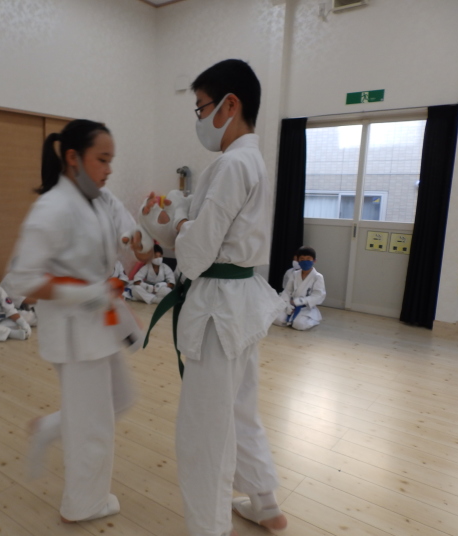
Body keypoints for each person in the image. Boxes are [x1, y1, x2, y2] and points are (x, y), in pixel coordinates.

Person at [140, 59, 288, 535]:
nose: (199, 118)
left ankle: (209, 528)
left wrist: (179, 222)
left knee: (204, 428)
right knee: (240, 408)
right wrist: (176, 212)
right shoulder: (249, 161)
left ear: (230, 105)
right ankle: (265, 503)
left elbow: (196, 253)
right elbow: (211, 230)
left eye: (201, 107)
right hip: (239, 303)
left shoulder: (231, 164)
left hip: (219, 311)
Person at [4, 119, 148, 524]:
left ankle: (51, 428)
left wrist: (142, 238)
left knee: (120, 398)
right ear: (73, 158)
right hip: (73, 334)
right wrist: (84, 293)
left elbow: (129, 231)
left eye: (110, 160)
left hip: (100, 321)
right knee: (93, 426)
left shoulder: (100, 198)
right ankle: (82, 505)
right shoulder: (51, 209)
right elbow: (20, 280)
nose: (109, 169)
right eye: (102, 159)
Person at [273, 246, 326, 331]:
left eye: (308, 259)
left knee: (299, 325)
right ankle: (291, 318)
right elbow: (287, 291)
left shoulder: (318, 277)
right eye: (302, 259)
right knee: (278, 320)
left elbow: (318, 295)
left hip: (306, 306)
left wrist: (299, 301)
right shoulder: (294, 274)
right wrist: (287, 303)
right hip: (291, 304)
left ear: (314, 260)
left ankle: (314, 318)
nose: (305, 261)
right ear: (298, 261)